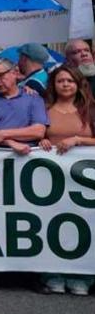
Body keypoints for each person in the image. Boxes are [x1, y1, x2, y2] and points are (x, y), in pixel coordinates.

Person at [37, 65, 95, 295]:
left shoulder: (89, 109)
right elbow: (37, 134)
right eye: (60, 81)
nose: (65, 84)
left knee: (82, 224)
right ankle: (52, 274)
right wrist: (41, 141)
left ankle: (82, 275)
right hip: (50, 178)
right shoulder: (44, 108)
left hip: (83, 180)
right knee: (52, 224)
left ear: (78, 83)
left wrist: (78, 140)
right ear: (54, 84)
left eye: (70, 80)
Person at [0, 58, 48, 156]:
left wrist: (3, 134)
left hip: (27, 158)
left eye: (0, 75)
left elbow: (38, 131)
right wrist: (10, 143)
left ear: (15, 72)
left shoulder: (33, 98)